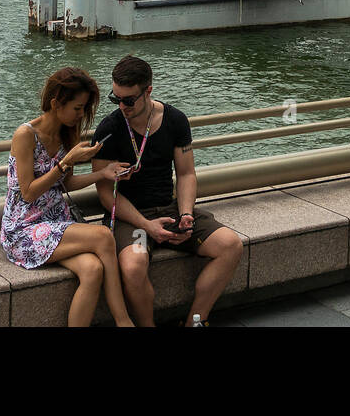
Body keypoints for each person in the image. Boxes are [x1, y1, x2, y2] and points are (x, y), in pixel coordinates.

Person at [91, 55, 244, 327]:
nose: (122, 107)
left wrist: (185, 213)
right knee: (133, 264)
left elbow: (186, 174)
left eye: (128, 100)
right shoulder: (109, 130)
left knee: (230, 245)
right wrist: (147, 226)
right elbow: (107, 195)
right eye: (116, 99)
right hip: (132, 218)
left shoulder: (175, 120)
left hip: (171, 209)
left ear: (148, 91)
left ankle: (196, 321)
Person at [1, 67, 135, 327]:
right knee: (104, 236)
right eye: (77, 108)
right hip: (23, 230)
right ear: (55, 103)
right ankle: (123, 321)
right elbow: (27, 192)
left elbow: (68, 183)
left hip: (55, 224)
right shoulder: (25, 135)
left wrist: (104, 173)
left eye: (84, 108)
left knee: (93, 270)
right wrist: (64, 163)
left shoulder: (66, 133)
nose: (81, 115)